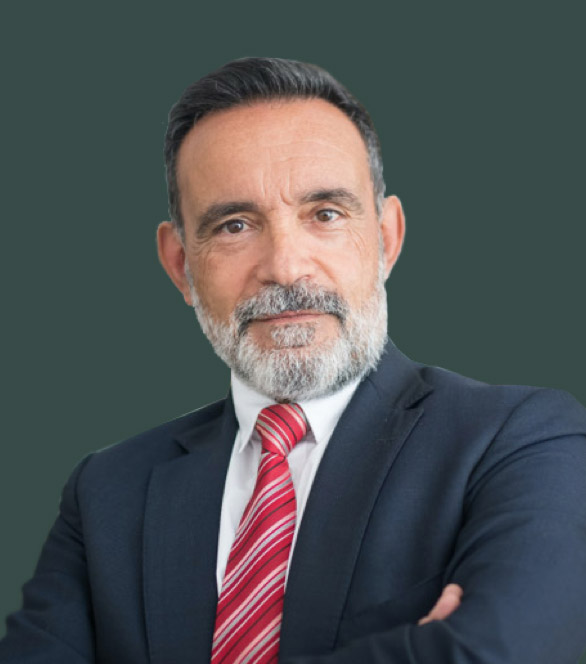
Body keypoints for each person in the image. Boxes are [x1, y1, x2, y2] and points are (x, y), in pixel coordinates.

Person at [1, 57, 585, 664]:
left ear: (386, 239)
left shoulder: (521, 441)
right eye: (234, 225)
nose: (285, 267)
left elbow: (499, 650)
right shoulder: (107, 491)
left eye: (325, 215)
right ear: (180, 265)